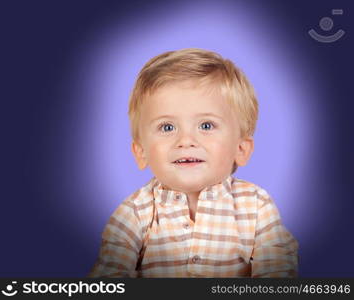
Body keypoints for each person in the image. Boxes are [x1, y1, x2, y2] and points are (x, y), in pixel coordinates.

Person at [88, 48, 299, 278]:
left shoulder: (256, 207)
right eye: (167, 127)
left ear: (241, 149)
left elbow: (277, 270)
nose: (186, 141)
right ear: (141, 153)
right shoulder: (135, 213)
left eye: (206, 126)